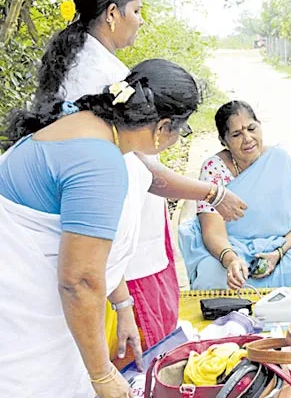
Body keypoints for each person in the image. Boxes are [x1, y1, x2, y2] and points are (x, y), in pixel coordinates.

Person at [35, 0, 247, 357]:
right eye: (137, 9)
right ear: (112, 14)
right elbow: (149, 174)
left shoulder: (90, 66)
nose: (141, 20)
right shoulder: (104, 86)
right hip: (115, 261)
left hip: (112, 247)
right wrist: (214, 193)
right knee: (136, 358)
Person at [0, 59, 199, 398]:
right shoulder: (100, 161)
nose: (178, 138)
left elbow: (87, 249)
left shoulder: (81, 123)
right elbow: (79, 280)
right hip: (26, 341)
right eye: (182, 129)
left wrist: (123, 307)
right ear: (163, 127)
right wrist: (102, 375)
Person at [179, 101, 291, 290]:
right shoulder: (214, 169)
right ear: (223, 140)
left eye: (252, 128)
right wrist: (231, 259)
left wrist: (279, 252)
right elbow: (213, 231)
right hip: (230, 248)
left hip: (280, 245)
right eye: (236, 134)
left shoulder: (278, 160)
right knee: (213, 281)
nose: (248, 138)